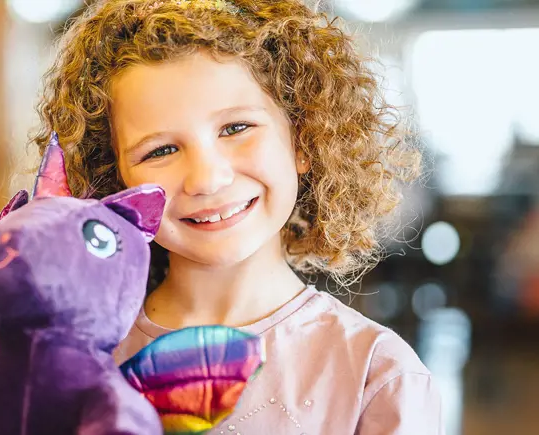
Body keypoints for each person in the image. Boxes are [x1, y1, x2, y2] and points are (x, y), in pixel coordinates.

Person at [28, 0, 444, 433]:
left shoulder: (377, 374)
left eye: (235, 128)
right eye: (161, 151)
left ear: (302, 138)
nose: (206, 179)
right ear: (116, 183)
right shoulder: (73, 355)